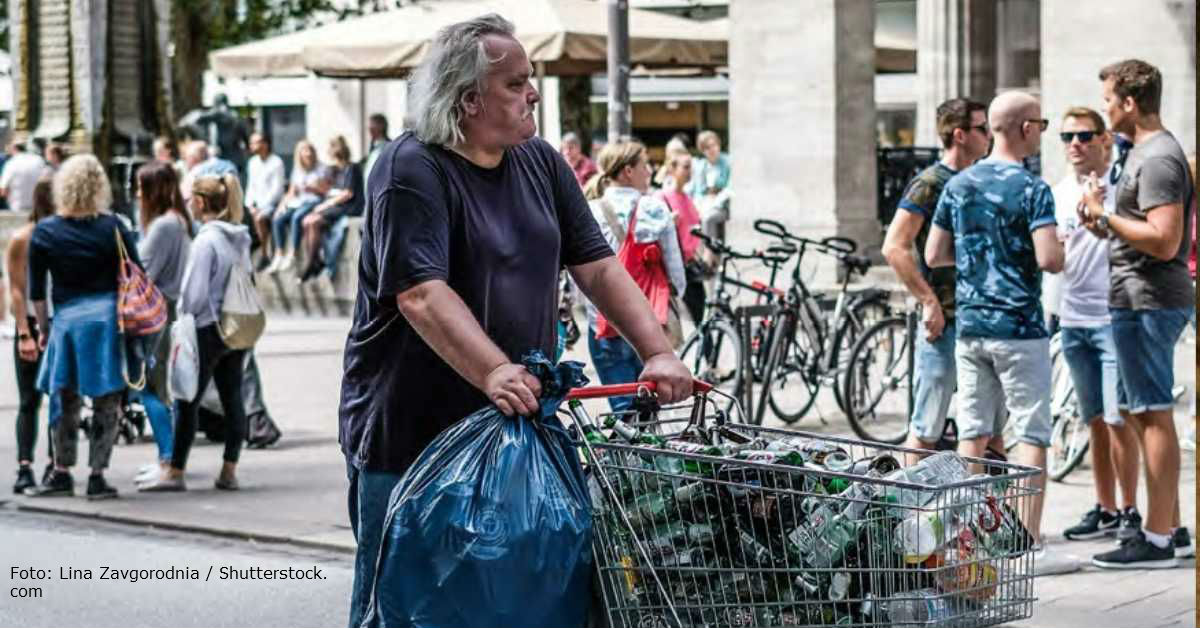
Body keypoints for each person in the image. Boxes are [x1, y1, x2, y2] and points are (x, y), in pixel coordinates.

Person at [338, 15, 692, 627]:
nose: (532, 92)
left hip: (516, 427)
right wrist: (494, 369)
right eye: (516, 83)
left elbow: (599, 268)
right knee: (399, 607)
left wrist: (658, 351)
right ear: (467, 98)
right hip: (414, 434)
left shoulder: (539, 161)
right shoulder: (410, 168)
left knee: (519, 602)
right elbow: (421, 293)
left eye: (531, 79)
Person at [925, 90, 1075, 575]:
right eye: (1043, 124)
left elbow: (934, 255)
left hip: (971, 325)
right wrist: (1058, 249)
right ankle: (1025, 543)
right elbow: (1049, 259)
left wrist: (979, 257)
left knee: (973, 431)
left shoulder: (960, 184)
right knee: (1030, 430)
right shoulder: (1033, 188)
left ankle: (967, 541)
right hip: (1019, 327)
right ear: (1027, 128)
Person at [1081, 60, 1195, 569]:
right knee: (1136, 411)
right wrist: (1103, 218)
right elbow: (1140, 229)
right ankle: (1170, 528)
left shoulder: (1158, 158)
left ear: (1129, 102)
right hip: (1133, 298)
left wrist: (1107, 217)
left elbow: (1166, 239)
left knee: (1151, 413)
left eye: (1108, 98)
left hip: (1150, 300)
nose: (1105, 108)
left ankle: (1155, 540)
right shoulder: (1140, 155)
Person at [1047, 107, 1145, 544]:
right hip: (1072, 318)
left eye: (1085, 135)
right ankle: (1105, 508)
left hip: (1112, 317)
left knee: (1118, 418)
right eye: (1067, 136)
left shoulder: (1120, 187)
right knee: (1094, 422)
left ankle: (1130, 509)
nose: (1075, 144)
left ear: (1104, 139)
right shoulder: (1057, 192)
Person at [25, 155, 140, 499]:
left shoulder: (45, 231)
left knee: (65, 398)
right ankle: (96, 475)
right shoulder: (113, 227)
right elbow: (135, 273)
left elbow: (36, 292)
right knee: (107, 400)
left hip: (67, 322)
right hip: (106, 322)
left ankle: (61, 471)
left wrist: (44, 328)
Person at [882, 98, 990, 455]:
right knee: (927, 427)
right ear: (959, 135)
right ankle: (907, 510)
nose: (990, 135)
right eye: (982, 128)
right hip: (944, 323)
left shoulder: (982, 177)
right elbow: (894, 247)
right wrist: (929, 302)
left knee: (987, 429)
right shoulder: (929, 182)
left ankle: (986, 510)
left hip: (982, 318)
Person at [139, 174, 252, 492]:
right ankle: (229, 469)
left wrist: (183, 314)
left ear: (201, 202)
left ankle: (175, 471)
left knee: (186, 398)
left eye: (191, 198)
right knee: (232, 398)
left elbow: (194, 294)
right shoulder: (239, 237)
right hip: (235, 326)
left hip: (205, 328)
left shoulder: (206, 240)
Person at [582, 139, 686, 412]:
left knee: (623, 410)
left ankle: (627, 454)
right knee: (650, 411)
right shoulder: (654, 208)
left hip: (603, 325)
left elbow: (578, 274)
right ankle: (649, 455)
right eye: (644, 166)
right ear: (628, 171)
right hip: (650, 323)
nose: (650, 171)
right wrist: (670, 304)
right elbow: (676, 273)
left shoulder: (589, 211)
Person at [129, 161, 193, 485]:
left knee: (149, 387)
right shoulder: (179, 221)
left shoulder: (163, 226)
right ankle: (165, 458)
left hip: (156, 312)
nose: (136, 193)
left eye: (141, 187)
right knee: (160, 387)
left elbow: (141, 274)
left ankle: (168, 460)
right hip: (169, 308)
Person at [6, 174, 55, 493]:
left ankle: (56, 463)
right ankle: (25, 467)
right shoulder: (24, 238)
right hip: (33, 324)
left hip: (58, 321)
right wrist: (24, 332)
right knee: (29, 401)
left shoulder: (63, 236)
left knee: (60, 400)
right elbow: (16, 289)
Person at [299, 136, 363, 283]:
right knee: (306, 221)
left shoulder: (352, 168)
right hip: (336, 205)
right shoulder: (333, 170)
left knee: (314, 221)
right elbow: (328, 190)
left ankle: (311, 264)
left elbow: (348, 193)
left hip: (349, 206)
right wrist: (315, 188)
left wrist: (326, 205)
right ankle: (314, 260)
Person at [658, 149, 707, 325]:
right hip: (675, 270)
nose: (689, 172)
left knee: (699, 319)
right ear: (672, 169)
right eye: (685, 167)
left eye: (690, 167)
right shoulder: (662, 197)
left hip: (691, 266)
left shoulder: (687, 197)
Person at [268, 139, 328, 274]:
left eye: (310, 150)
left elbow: (325, 190)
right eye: (305, 151)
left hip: (315, 200)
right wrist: (281, 206)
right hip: (299, 201)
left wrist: (313, 188)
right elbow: (291, 192)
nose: (308, 154)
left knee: (297, 217)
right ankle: (279, 253)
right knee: (278, 219)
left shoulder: (321, 168)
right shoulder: (297, 170)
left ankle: (293, 253)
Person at [245, 133, 286, 271]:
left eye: (256, 142)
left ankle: (264, 254)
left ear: (265, 144)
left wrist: (260, 208)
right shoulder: (252, 162)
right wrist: (250, 204)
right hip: (257, 205)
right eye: (251, 143)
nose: (253, 146)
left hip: (273, 204)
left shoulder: (276, 162)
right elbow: (251, 186)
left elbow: (277, 190)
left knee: (260, 218)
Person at [688, 129, 732, 240]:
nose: (712, 149)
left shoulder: (728, 162)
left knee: (707, 218)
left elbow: (729, 189)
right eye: (707, 147)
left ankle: (710, 251)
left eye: (714, 145)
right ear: (702, 150)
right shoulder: (701, 166)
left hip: (722, 205)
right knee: (694, 219)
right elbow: (697, 191)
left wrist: (716, 201)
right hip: (704, 204)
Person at [0, 141, 50, 212]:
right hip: (37, 207)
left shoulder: (11, 163)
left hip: (17, 207)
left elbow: (3, 191)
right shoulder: (39, 160)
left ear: (14, 149)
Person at [362, 113, 390, 198]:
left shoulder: (387, 147)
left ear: (381, 126)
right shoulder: (374, 147)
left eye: (372, 124)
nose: (369, 128)